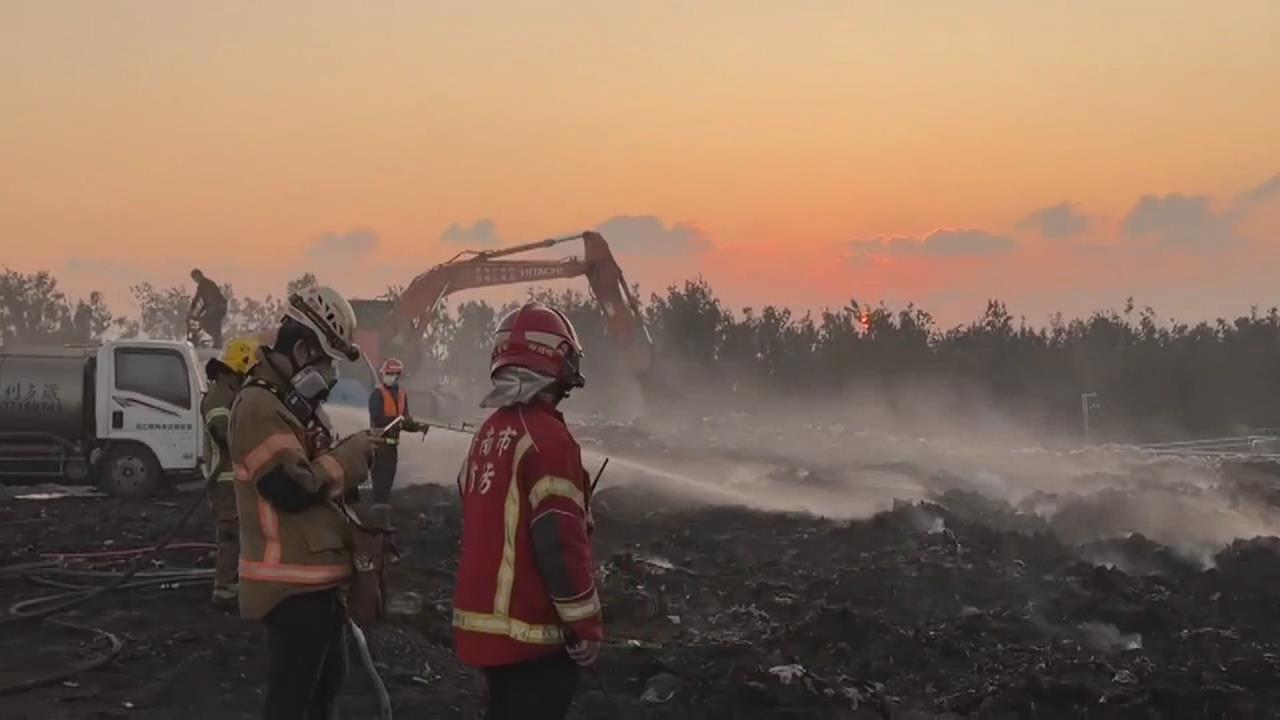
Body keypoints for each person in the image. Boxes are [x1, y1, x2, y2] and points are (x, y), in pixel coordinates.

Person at [228, 285, 382, 720]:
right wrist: (347, 460)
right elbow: (289, 488)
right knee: (291, 702)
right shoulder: (259, 406)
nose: (329, 376)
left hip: (315, 583)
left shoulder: (289, 405)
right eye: (324, 362)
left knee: (324, 689)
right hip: (289, 587)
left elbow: (314, 472)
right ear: (300, 349)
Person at [452, 302, 604, 720]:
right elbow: (558, 541)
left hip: (484, 631)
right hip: (531, 638)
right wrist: (584, 624)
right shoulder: (548, 440)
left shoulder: (488, 433)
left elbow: (478, 502)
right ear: (557, 362)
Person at [201, 336, 260, 610]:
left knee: (240, 534)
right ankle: (224, 591)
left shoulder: (229, 394)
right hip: (222, 481)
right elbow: (224, 431)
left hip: (234, 480)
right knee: (230, 535)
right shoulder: (218, 396)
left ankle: (235, 582)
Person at [367, 358, 408, 527]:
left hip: (393, 447)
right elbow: (377, 418)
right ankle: (377, 525)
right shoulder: (377, 395)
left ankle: (383, 523)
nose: (390, 377)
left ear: (399, 376)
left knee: (388, 485)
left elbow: (406, 417)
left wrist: (414, 425)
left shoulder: (402, 396)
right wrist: (396, 420)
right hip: (379, 446)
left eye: (393, 374)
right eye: (388, 374)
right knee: (380, 487)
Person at [189, 269, 228, 347]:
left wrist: (192, 310)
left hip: (218, 306)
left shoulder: (205, 284)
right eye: (194, 279)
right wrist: (199, 313)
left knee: (205, 322)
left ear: (199, 275)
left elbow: (197, 299)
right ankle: (218, 344)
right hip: (219, 307)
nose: (195, 280)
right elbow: (207, 303)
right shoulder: (205, 284)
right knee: (215, 326)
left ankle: (217, 341)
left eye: (195, 278)